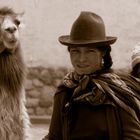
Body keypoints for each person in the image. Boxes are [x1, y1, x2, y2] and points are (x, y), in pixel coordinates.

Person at [42, 11, 140, 140]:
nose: (81, 59)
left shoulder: (118, 92)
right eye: (75, 51)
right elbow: (55, 137)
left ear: (103, 52)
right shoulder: (65, 91)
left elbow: (133, 136)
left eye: (90, 51)